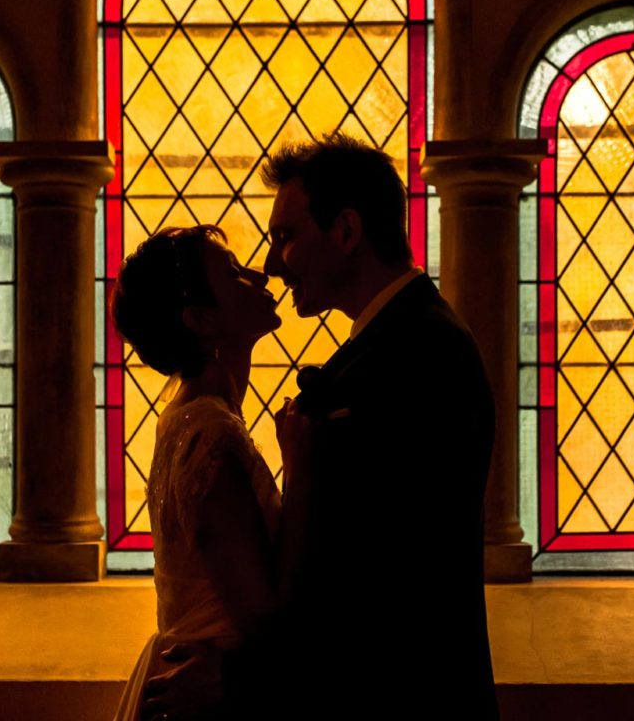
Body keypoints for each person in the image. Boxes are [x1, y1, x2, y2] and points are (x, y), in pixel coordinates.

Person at [142, 134, 500, 720]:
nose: (271, 263)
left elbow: (383, 588)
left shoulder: (418, 356)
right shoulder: (396, 346)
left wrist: (236, 678)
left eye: (286, 236)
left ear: (347, 232)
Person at [109, 224, 307, 721]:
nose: (260, 275)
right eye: (235, 274)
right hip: (216, 691)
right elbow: (263, 618)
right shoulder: (212, 437)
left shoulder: (187, 417)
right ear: (200, 318)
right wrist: (304, 471)